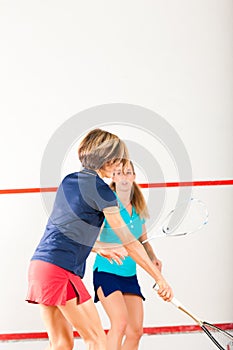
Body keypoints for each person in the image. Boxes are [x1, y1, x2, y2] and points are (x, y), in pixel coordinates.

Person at [26, 128, 173, 350]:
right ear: (108, 159)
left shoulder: (68, 181)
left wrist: (97, 247)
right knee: (98, 341)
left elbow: (65, 230)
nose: (118, 166)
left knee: (61, 344)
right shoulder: (103, 192)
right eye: (117, 160)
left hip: (40, 267)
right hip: (61, 270)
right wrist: (160, 279)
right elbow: (130, 242)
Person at [93, 161, 162, 350]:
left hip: (130, 275)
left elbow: (143, 240)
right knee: (120, 324)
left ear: (134, 177)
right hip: (106, 271)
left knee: (136, 332)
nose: (124, 177)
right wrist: (110, 248)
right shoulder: (108, 203)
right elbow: (92, 239)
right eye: (119, 173)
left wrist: (152, 257)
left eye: (128, 172)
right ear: (113, 178)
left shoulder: (138, 205)